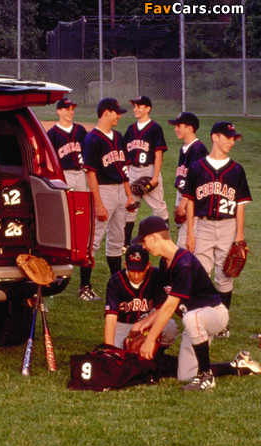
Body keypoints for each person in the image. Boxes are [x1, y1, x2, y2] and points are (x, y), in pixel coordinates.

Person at [130, 216, 261, 390]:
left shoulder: (183, 263)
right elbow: (166, 303)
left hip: (214, 314)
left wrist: (150, 340)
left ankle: (206, 377)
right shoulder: (164, 263)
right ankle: (237, 365)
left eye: (144, 240)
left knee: (191, 318)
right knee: (186, 374)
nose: (144, 246)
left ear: (154, 237)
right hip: (195, 321)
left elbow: (170, 307)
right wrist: (144, 323)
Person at [184, 122, 252, 338]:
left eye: (234, 138)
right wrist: (190, 232)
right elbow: (190, 202)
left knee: (225, 275)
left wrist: (239, 235)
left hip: (228, 226)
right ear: (215, 137)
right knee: (201, 274)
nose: (232, 142)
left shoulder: (236, 170)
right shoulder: (197, 168)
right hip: (202, 226)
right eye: (228, 137)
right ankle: (203, 319)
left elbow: (240, 205)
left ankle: (223, 323)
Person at [80, 97, 134, 301]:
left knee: (117, 240)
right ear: (106, 113)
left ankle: (117, 285)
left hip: (120, 191)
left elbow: (124, 168)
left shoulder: (118, 137)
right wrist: (98, 204)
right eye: (116, 113)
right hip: (102, 191)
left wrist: (129, 195)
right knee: (93, 240)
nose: (119, 116)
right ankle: (84, 287)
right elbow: (90, 175)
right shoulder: (92, 139)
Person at [46, 98, 92, 298]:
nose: (70, 112)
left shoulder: (80, 131)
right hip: (63, 175)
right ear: (58, 111)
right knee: (64, 215)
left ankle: (79, 248)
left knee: (81, 215)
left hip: (79, 173)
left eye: (72, 109)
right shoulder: (52, 134)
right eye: (67, 109)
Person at [104, 244, 177, 353]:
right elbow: (111, 318)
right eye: (132, 270)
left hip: (149, 322)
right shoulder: (116, 281)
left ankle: (156, 352)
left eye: (140, 270)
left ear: (148, 265)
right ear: (125, 265)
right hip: (123, 325)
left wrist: (140, 324)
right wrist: (109, 350)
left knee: (170, 327)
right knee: (115, 351)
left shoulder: (156, 276)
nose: (136, 275)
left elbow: (163, 309)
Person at [123, 96, 169, 248]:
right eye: (134, 106)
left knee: (159, 208)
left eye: (139, 106)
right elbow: (126, 156)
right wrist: (126, 176)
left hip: (149, 170)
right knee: (130, 207)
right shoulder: (130, 129)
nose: (135, 109)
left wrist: (155, 177)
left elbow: (158, 154)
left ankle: (166, 242)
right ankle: (126, 243)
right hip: (132, 170)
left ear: (148, 108)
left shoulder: (155, 128)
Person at [167, 112, 209, 247]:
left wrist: (183, 204)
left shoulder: (197, 149)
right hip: (183, 194)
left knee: (184, 243)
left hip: (192, 199)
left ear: (190, 128)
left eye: (179, 126)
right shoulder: (184, 148)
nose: (175, 129)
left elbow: (196, 182)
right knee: (185, 233)